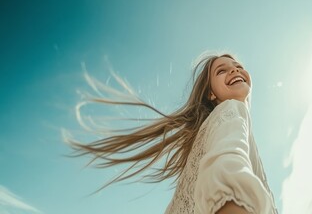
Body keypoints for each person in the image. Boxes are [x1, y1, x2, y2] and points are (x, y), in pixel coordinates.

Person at [69, 52, 278, 214]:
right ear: (210, 93)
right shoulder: (231, 111)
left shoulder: (209, 131)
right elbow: (226, 167)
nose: (235, 70)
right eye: (221, 70)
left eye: (239, 66)